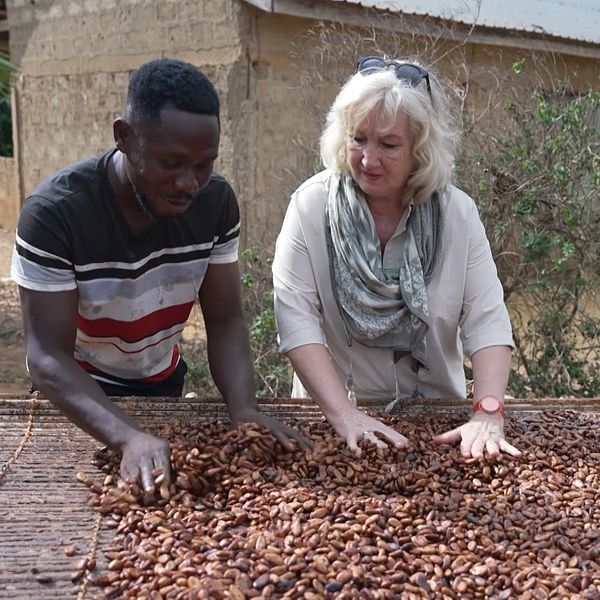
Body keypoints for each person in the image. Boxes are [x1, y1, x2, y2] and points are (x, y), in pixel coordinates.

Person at [11, 58, 309, 494]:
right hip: (77, 400)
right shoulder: (55, 215)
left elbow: (224, 318)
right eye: (171, 163)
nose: (189, 183)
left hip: (161, 383)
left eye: (204, 164)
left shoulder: (215, 204)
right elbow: (46, 356)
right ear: (125, 138)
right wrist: (127, 435)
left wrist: (243, 408)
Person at [272, 56, 521, 460]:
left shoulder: (459, 215)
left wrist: (488, 412)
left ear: (420, 150)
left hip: (440, 425)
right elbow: (295, 319)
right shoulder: (309, 207)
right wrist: (343, 414)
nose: (369, 160)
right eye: (358, 139)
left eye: (388, 144)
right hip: (335, 422)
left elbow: (487, 320)